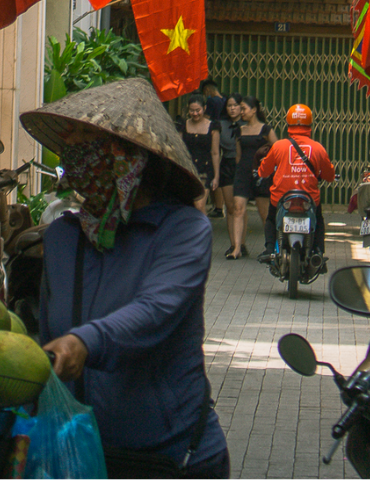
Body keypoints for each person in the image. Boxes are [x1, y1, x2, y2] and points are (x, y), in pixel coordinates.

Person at [23, 77, 229, 479]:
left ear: (128, 159)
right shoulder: (65, 237)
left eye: (89, 146)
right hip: (82, 454)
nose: (75, 158)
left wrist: (85, 341)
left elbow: (156, 310)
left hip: (173, 456)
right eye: (72, 146)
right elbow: (48, 335)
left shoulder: (183, 229)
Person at [258, 103, 335, 263]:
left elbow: (264, 171)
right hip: (309, 199)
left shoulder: (279, 146)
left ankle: (269, 249)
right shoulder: (318, 148)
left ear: (288, 123)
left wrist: (259, 172)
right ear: (310, 124)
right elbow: (329, 175)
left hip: (281, 198)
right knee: (319, 219)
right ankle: (318, 251)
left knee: (271, 219)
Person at [227, 97, 273, 260]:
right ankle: (237, 247)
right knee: (237, 208)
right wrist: (238, 173)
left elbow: (278, 151)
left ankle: (271, 247)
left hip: (261, 175)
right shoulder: (239, 130)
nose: (241, 111)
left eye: (244, 108)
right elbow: (238, 155)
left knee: (264, 213)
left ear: (254, 110)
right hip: (243, 173)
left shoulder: (266, 130)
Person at [178, 93, 220, 214]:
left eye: (198, 110)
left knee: (200, 206)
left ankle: (203, 231)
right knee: (187, 206)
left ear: (204, 108)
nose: (195, 114)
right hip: (188, 169)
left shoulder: (213, 126)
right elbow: (179, 149)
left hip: (205, 170)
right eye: (192, 111)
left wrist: (216, 176)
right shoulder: (183, 125)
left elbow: (215, 152)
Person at [215, 96, 242, 252]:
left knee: (240, 207)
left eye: (236, 105)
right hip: (227, 164)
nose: (232, 108)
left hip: (242, 166)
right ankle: (233, 244)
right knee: (230, 207)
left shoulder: (247, 124)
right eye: (229, 105)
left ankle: (241, 244)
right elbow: (215, 151)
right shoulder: (220, 125)